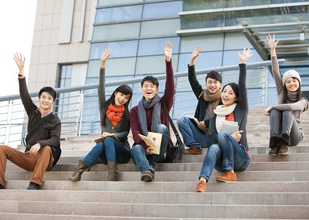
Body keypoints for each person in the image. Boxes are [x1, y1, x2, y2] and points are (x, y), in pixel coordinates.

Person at [0, 53, 61, 190]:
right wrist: (21, 72)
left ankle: (35, 183)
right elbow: (24, 94)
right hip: (29, 157)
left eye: (49, 98)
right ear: (39, 99)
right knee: (2, 148)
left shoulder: (55, 120)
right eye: (44, 97)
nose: (46, 100)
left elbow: (55, 140)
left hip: (45, 160)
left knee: (48, 148)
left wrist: (40, 144)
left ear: (53, 102)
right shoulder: (32, 111)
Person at [69, 48, 133, 181]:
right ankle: (79, 171)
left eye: (126, 98)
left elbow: (125, 134)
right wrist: (102, 65)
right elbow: (101, 88)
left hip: (122, 152)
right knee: (100, 145)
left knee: (108, 140)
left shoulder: (127, 114)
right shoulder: (104, 107)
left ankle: (112, 174)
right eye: (121, 95)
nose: (122, 99)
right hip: (106, 152)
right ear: (115, 93)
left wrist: (112, 135)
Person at [194, 48, 252, 193]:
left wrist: (243, 64)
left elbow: (243, 87)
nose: (225, 95)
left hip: (241, 157)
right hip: (221, 159)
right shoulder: (215, 114)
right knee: (214, 146)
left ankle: (230, 171)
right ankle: (202, 181)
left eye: (230, 93)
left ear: (236, 97)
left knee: (222, 135)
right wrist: (229, 137)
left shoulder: (240, 109)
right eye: (224, 91)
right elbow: (212, 137)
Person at [130, 41, 175, 182]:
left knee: (161, 127)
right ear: (141, 89)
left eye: (152, 86)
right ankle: (147, 170)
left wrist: (168, 61)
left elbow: (170, 86)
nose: (149, 88)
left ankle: (152, 164)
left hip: (160, 151)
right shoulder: (135, 110)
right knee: (136, 148)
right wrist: (146, 146)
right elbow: (135, 132)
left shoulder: (163, 103)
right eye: (146, 86)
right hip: (145, 149)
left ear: (157, 89)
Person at [263, 34, 309, 155]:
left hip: (294, 136)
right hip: (278, 135)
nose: (292, 83)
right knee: (276, 111)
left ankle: (284, 144)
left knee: (287, 111)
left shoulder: (303, 100)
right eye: (288, 81)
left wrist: (273, 106)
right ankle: (274, 143)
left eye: (294, 81)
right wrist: (273, 50)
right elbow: (276, 71)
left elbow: (291, 107)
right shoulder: (281, 92)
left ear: (299, 83)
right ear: (285, 84)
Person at [177, 46, 222, 155]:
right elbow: (192, 80)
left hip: (216, 139)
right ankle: (194, 147)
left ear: (220, 85)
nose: (212, 85)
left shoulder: (224, 98)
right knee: (181, 119)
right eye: (210, 82)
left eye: (215, 82)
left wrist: (206, 123)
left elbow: (221, 116)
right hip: (202, 136)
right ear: (206, 84)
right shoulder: (202, 95)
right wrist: (192, 60)